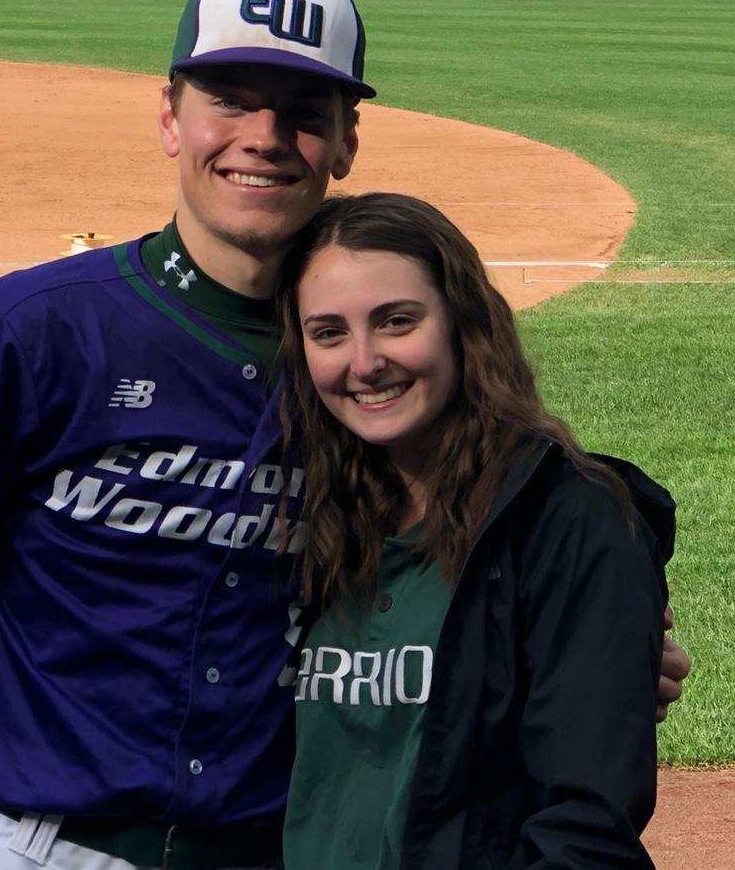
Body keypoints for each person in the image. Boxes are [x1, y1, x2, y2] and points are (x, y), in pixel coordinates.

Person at [0, 0, 688, 870]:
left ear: (346, 143)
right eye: (229, 99)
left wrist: (588, 651)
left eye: (304, 112)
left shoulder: (362, 380)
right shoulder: (28, 331)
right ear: (170, 118)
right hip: (34, 844)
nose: (263, 136)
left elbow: (471, 548)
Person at [277, 192, 673, 869]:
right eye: (328, 332)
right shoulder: (313, 515)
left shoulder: (570, 519)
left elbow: (586, 828)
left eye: (397, 321)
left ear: (465, 324)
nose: (364, 361)